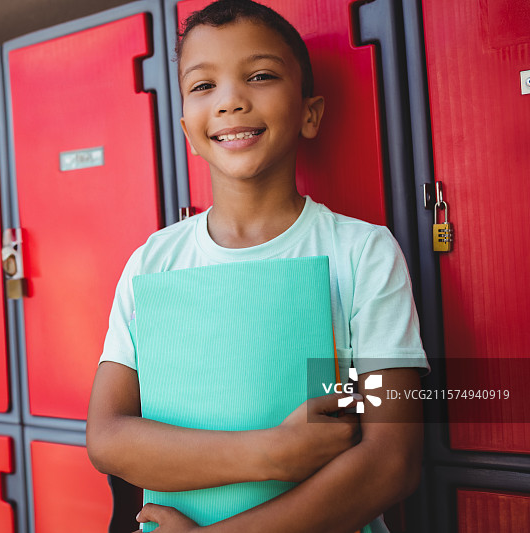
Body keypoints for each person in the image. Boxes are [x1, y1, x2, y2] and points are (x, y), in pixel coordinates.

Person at [86, 1, 429, 531]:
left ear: (310, 113)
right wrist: (273, 453)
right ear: (186, 129)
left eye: (261, 75)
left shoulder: (363, 253)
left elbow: (392, 461)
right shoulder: (151, 263)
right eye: (203, 86)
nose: (230, 101)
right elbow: (108, 437)